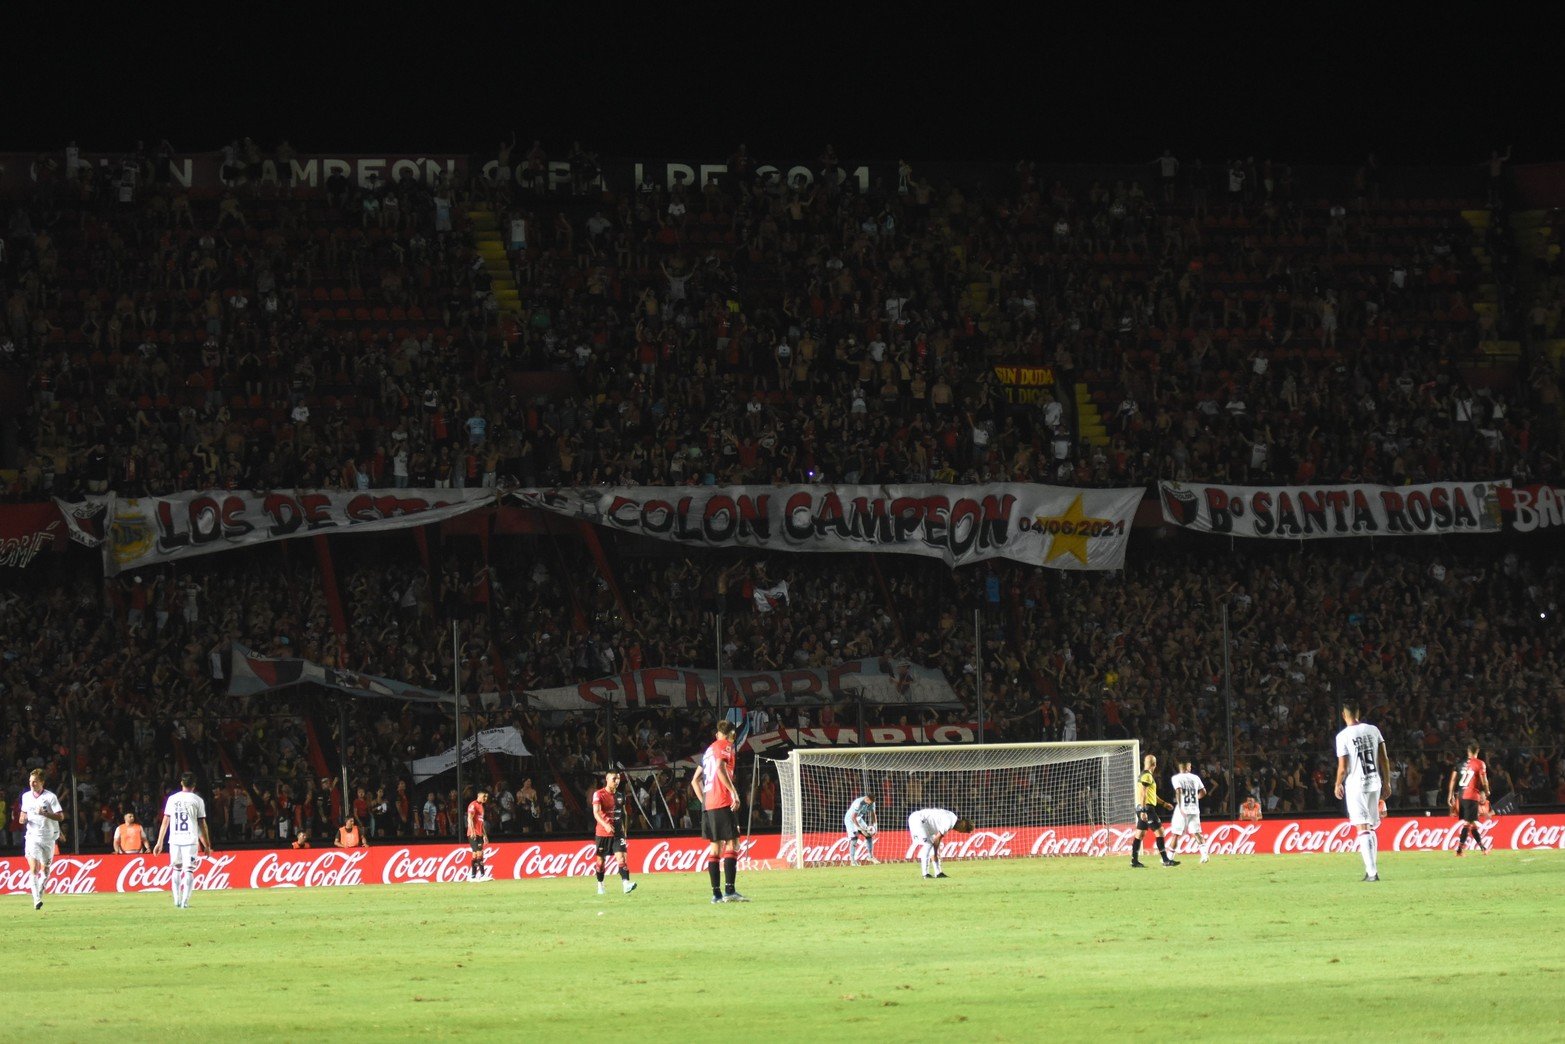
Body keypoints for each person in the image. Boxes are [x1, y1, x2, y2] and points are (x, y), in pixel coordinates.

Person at [1333, 701, 1390, 882]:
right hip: (1375, 782)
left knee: (1362, 827)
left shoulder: (1343, 736)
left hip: (1357, 785)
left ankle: (1372, 872)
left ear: (1344, 715)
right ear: (1359, 712)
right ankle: (1371, 869)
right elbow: (1384, 758)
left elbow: (1343, 767)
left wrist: (1337, 783)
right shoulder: (1373, 730)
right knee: (1371, 827)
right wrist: (1387, 782)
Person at [691, 720, 746, 903]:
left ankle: (716, 895)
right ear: (732, 734)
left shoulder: (707, 751)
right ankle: (730, 891)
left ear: (717, 734)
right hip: (722, 800)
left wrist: (704, 802)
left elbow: (694, 780)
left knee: (715, 847)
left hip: (710, 805)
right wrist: (734, 793)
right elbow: (721, 769)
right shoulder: (725, 746)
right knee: (732, 843)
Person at [152, 772, 213, 909]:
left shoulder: (172, 799)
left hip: (174, 839)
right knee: (189, 870)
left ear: (181, 783)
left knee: (176, 869)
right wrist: (207, 845)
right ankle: (185, 902)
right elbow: (202, 824)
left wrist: (159, 842)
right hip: (190, 840)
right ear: (194, 785)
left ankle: (176, 901)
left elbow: (165, 822)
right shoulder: (197, 800)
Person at [19, 768, 65, 911]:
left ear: (42, 782)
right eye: (30, 781)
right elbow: (22, 815)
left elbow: (61, 817)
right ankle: (36, 900)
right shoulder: (26, 796)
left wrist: (45, 814)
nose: (32, 784)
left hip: (48, 838)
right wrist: (22, 819)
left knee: (45, 870)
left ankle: (40, 891)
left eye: (35, 781)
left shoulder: (50, 797)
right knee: (34, 868)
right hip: (32, 837)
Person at [590, 771, 637, 895]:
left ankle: (626, 884)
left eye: (618, 779)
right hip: (602, 833)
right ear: (607, 779)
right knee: (600, 861)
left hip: (617, 833)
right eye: (614, 778)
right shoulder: (598, 794)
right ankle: (600, 884)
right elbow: (596, 812)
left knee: (621, 858)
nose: (616, 781)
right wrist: (605, 825)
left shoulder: (621, 795)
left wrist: (624, 830)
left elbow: (624, 814)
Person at [1131, 754, 1179, 868]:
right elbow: (1143, 793)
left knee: (1140, 834)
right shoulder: (1147, 776)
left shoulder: (1144, 775)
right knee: (1160, 832)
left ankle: (1134, 860)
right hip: (1146, 808)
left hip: (1141, 807)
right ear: (1155, 764)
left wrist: (1164, 803)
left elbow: (1151, 794)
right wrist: (1143, 810)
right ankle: (1166, 860)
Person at [1447, 743, 1491, 856]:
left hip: (1460, 796)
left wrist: (1450, 795)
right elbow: (1484, 780)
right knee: (1468, 823)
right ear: (1478, 751)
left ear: (1468, 751)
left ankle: (1483, 848)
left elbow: (1452, 780)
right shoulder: (1480, 763)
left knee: (1472, 824)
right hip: (1471, 796)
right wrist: (1487, 791)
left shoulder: (1459, 763)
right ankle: (1459, 851)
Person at [906, 807, 973, 878]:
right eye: (962, 831)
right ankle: (925, 874)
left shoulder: (952, 817)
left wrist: (935, 853)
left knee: (930, 845)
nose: (960, 832)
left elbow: (936, 838)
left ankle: (938, 873)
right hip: (917, 820)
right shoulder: (949, 823)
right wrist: (935, 853)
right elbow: (937, 839)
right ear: (962, 827)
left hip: (925, 823)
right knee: (928, 845)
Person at [1168, 761, 1212, 864]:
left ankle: (1169, 858)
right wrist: (1196, 798)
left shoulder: (1176, 778)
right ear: (1188, 767)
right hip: (1194, 809)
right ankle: (1205, 855)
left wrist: (1180, 806)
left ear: (1180, 767)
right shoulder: (1195, 778)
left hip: (1182, 810)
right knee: (1196, 833)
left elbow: (1178, 791)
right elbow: (1204, 792)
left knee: (1176, 834)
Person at [843, 793, 878, 866]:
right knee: (854, 838)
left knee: (869, 835)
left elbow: (873, 814)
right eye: (870, 802)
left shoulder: (872, 803)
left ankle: (870, 856)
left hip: (858, 819)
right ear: (867, 799)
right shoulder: (858, 803)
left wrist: (875, 825)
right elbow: (853, 817)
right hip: (850, 820)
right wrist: (859, 828)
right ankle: (852, 861)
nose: (871, 804)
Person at [466, 788, 490, 881]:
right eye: (484, 796)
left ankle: (475, 876)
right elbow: (469, 818)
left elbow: (481, 822)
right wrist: (472, 831)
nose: (485, 798)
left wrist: (485, 835)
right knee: (478, 854)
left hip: (479, 833)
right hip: (473, 834)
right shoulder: (473, 805)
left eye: (486, 797)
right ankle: (479, 875)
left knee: (478, 854)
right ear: (479, 795)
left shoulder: (481, 806)